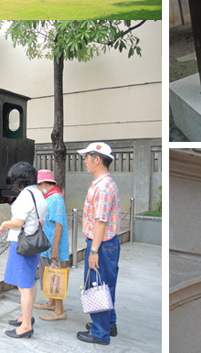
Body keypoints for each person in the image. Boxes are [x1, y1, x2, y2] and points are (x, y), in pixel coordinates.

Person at [76, 142, 121, 346]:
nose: (84, 160)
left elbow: (100, 222)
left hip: (101, 245)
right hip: (109, 244)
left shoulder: (102, 187)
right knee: (107, 284)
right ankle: (109, 324)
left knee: (96, 285)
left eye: (87, 157)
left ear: (97, 159)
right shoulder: (106, 183)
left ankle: (100, 332)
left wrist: (93, 250)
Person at [0, 161, 48, 339]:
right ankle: (27, 317)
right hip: (34, 243)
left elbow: (18, 222)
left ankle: (26, 326)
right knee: (29, 282)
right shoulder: (39, 194)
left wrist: (4, 224)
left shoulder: (25, 195)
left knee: (24, 286)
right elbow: (41, 221)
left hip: (22, 244)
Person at [34, 169, 69, 321]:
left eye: (39, 185)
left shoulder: (55, 198)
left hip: (52, 247)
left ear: (44, 184)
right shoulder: (50, 197)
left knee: (55, 276)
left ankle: (59, 310)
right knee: (48, 274)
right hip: (46, 246)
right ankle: (51, 302)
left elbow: (58, 224)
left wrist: (54, 248)